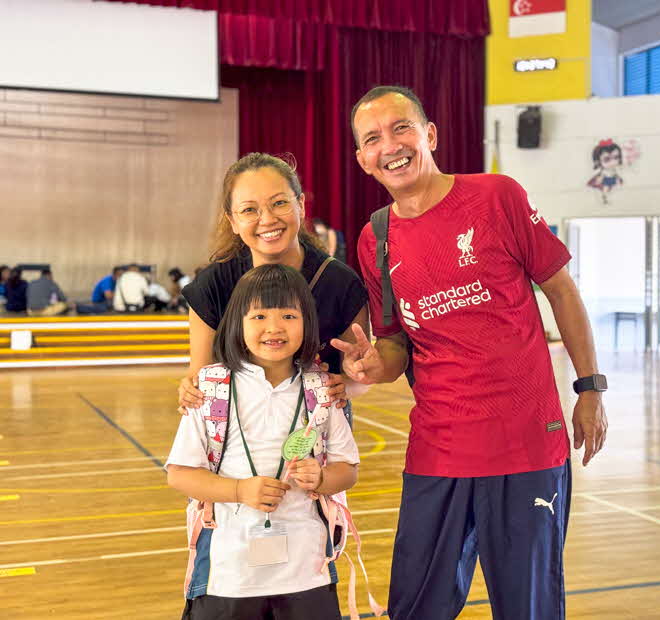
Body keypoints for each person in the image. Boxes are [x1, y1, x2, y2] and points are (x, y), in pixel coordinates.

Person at [331, 86, 608, 620]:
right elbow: (394, 348)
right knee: (414, 607)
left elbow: (562, 290)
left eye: (401, 128)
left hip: (527, 444)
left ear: (429, 135)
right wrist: (370, 364)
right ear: (362, 158)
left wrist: (590, 389)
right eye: (373, 138)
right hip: (440, 449)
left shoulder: (497, 197)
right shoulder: (376, 239)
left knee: (528, 608)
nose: (390, 145)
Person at [167, 263, 359, 619]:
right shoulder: (210, 387)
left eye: (289, 314)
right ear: (237, 323)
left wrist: (322, 478)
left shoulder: (322, 388)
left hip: (307, 571)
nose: (274, 327)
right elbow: (179, 474)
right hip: (229, 576)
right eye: (258, 316)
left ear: (308, 323)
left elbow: (347, 471)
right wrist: (240, 491)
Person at [177, 152, 369, 419]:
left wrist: (349, 381)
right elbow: (200, 377)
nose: (266, 219)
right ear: (232, 220)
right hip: (238, 428)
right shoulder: (212, 285)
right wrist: (191, 390)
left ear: (301, 205)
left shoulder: (341, 284)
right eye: (248, 210)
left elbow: (358, 377)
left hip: (316, 427)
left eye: (279, 203)